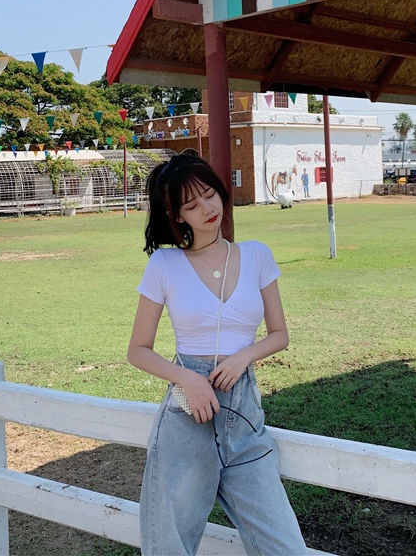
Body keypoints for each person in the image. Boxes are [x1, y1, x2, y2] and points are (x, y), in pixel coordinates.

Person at [127, 153, 307, 555]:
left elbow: (279, 334)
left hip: (243, 417)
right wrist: (188, 379)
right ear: (177, 216)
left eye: (209, 195)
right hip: (187, 417)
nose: (207, 209)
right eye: (191, 205)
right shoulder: (165, 264)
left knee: (285, 546)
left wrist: (243, 357)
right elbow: (138, 350)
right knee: (170, 546)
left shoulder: (257, 255)